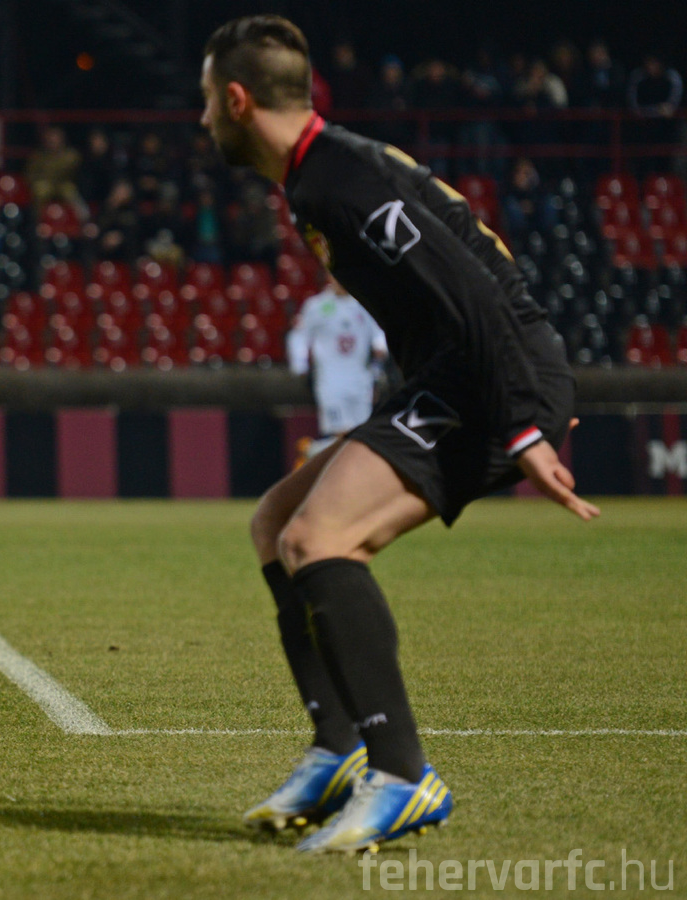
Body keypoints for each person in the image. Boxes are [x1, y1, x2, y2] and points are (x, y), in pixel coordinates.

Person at [199, 15, 597, 855]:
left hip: (493, 375)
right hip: (454, 374)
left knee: (319, 538)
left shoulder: (338, 178)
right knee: (277, 522)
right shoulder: (319, 173)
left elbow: (472, 293)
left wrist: (522, 424)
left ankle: (402, 772)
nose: (202, 120)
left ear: (237, 100)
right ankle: (337, 747)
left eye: (205, 102)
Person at [286, 275, 387, 457]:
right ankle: (315, 455)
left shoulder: (364, 305)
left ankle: (312, 451)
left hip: (360, 380)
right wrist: (299, 364)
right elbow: (300, 335)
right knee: (342, 433)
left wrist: (380, 347)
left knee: (360, 435)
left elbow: (378, 332)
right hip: (331, 381)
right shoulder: (317, 306)